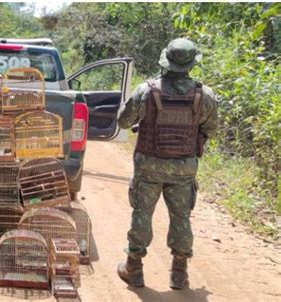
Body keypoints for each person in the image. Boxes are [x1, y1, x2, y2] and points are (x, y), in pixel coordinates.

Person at [116, 38, 218, 289]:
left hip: (149, 165)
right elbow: (211, 130)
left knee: (142, 214)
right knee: (182, 217)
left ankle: (134, 269)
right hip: (184, 168)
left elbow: (123, 122)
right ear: (191, 64)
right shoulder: (204, 95)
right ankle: (179, 273)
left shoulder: (146, 90)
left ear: (166, 61)